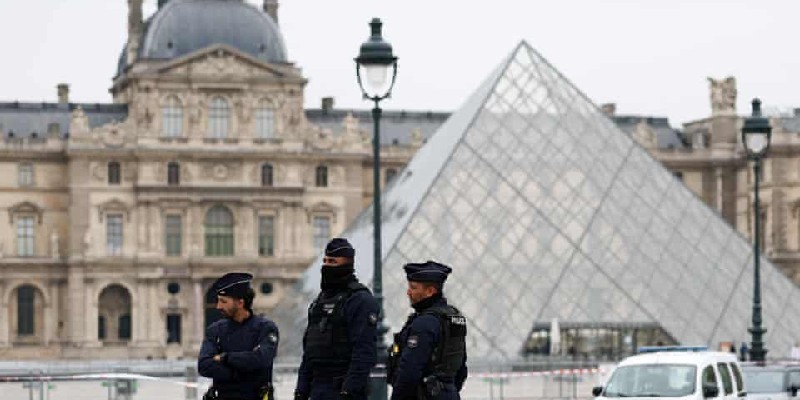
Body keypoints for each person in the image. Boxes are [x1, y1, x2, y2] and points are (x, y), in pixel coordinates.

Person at [294, 238, 379, 400]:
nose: (326, 266)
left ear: (347, 265)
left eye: (332, 261)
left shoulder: (360, 300)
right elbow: (309, 353)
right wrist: (301, 391)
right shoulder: (319, 301)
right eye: (325, 261)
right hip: (317, 388)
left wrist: (348, 393)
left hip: (342, 387)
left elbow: (363, 354)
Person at [388, 261, 468, 400]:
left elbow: (409, 372)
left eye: (413, 287)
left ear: (430, 291)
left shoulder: (424, 323)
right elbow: (461, 368)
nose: (408, 292)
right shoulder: (454, 318)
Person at [199, 272, 279, 400]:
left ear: (240, 303)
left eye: (223, 301)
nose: (218, 306)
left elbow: (262, 360)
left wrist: (225, 358)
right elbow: (204, 365)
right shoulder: (216, 330)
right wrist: (244, 371)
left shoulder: (265, 328)